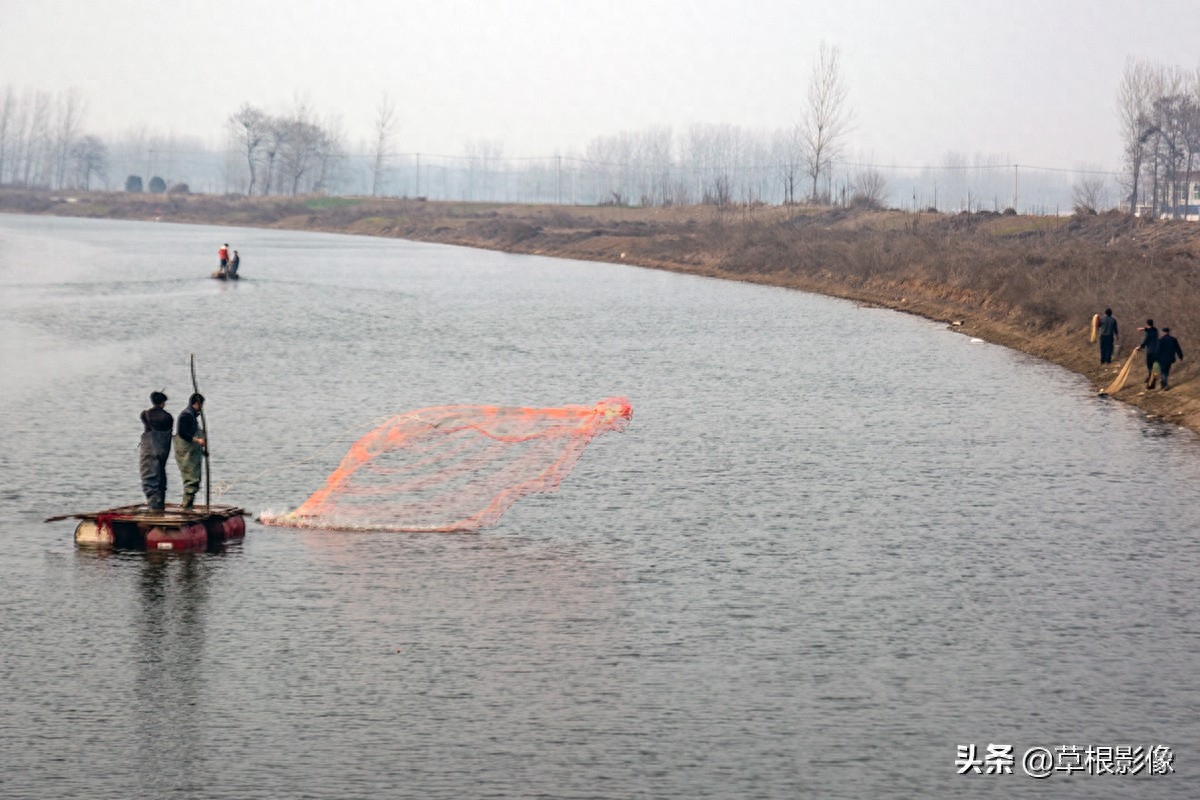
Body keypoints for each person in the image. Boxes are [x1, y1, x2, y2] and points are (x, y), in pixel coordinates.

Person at [139, 391, 173, 511]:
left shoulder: (145, 415)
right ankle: (160, 506)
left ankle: (154, 509)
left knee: (149, 478)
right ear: (163, 403)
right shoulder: (168, 417)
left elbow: (144, 418)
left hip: (149, 449)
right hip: (163, 450)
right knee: (161, 478)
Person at [174, 393, 207, 509]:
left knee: (194, 477)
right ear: (197, 403)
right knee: (191, 477)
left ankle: (189, 504)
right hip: (186, 451)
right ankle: (186, 505)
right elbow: (182, 433)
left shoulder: (192, 415)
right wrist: (197, 440)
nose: (202, 407)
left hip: (193, 452)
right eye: (201, 404)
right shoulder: (186, 415)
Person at [1136, 319, 1159, 387]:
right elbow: (1151, 329)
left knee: (1150, 366)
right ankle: (1150, 377)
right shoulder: (1156, 330)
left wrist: (1140, 347)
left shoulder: (1149, 333)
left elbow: (1145, 341)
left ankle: (1151, 382)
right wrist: (1143, 329)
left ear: (1146, 324)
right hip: (1156, 351)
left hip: (1150, 352)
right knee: (1154, 366)